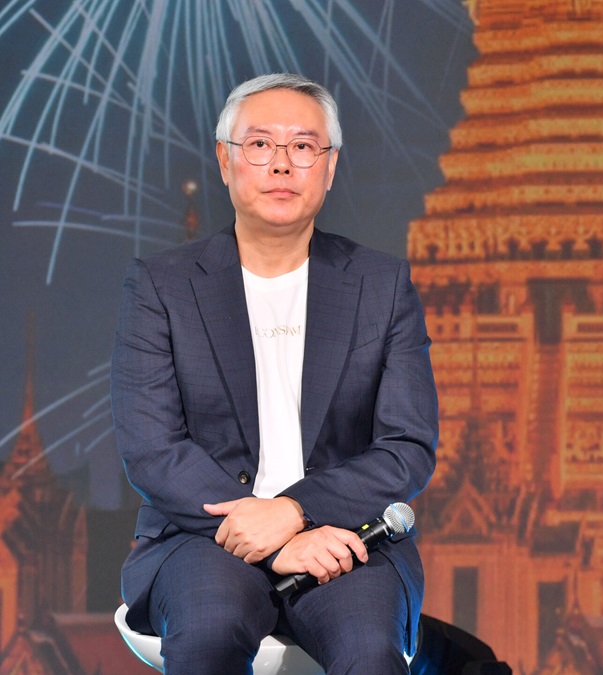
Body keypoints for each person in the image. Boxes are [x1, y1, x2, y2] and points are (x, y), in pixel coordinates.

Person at [110, 73, 438, 674]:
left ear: (330, 166)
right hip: (202, 537)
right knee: (209, 630)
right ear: (225, 160)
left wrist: (297, 511)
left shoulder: (381, 285)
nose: (282, 165)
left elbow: (406, 449)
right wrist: (271, 530)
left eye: (304, 146)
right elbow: (152, 449)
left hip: (346, 539)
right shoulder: (163, 285)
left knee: (370, 652)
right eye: (260, 145)